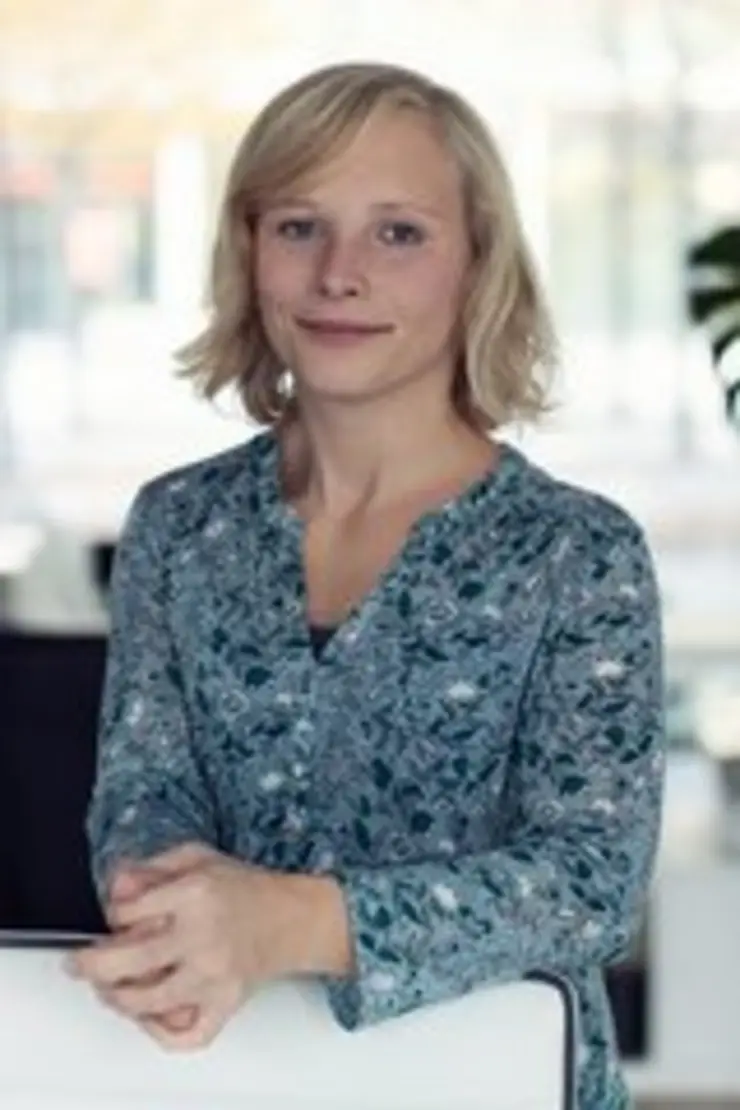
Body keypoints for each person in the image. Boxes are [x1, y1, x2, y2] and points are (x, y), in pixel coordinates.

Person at [69, 61, 665, 1110]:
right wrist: (169, 908)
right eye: (299, 226)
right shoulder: (178, 526)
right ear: (248, 251)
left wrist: (291, 923)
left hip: (501, 1087)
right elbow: (142, 795)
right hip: (227, 1080)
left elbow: (591, 885)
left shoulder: (577, 552)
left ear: (477, 261)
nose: (338, 274)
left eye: (398, 233)